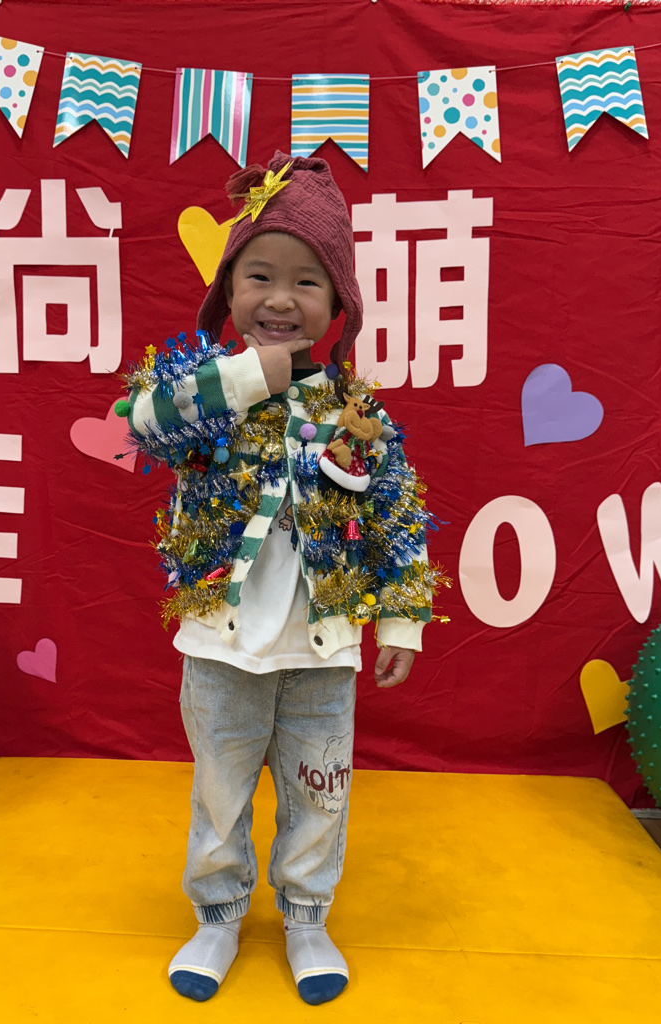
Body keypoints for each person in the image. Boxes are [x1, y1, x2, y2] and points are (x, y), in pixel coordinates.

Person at [117, 152, 442, 1005]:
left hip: (322, 655)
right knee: (219, 793)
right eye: (259, 275)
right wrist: (248, 376)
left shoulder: (356, 414)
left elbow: (397, 516)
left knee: (320, 793)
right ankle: (218, 915)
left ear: (338, 305)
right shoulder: (202, 391)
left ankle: (306, 917)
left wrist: (400, 623)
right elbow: (142, 423)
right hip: (220, 652)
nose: (280, 298)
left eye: (307, 281)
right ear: (228, 291)